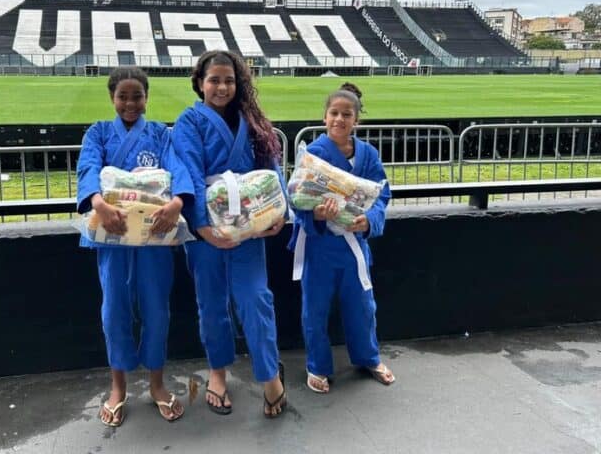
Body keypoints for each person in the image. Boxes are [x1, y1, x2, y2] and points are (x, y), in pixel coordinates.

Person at [172, 50, 288, 418]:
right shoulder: (189, 121)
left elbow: (271, 167)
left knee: (256, 299)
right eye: (214, 80)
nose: (222, 87)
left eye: (229, 80)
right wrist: (202, 224)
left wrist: (279, 211)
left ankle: (270, 377)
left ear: (238, 84)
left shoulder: (252, 122)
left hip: (249, 226)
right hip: (206, 229)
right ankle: (218, 372)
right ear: (199, 83)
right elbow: (187, 171)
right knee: (212, 304)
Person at [76, 67, 194, 427]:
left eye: (137, 96)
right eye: (123, 96)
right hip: (113, 235)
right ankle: (118, 387)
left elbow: (178, 169)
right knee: (114, 311)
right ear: (112, 98)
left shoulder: (160, 134)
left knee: (157, 311)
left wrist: (176, 204)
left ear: (147, 97)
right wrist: (97, 203)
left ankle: (157, 385)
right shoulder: (97, 132)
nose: (130, 103)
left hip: (154, 237)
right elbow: (88, 168)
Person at [288, 82, 395, 394]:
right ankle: (317, 367)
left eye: (346, 114)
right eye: (333, 113)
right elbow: (295, 196)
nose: (339, 119)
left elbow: (382, 194)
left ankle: (368, 357)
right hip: (318, 248)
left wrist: (369, 221)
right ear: (324, 118)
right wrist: (316, 215)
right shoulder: (314, 153)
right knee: (315, 310)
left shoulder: (369, 154)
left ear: (356, 120)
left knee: (363, 307)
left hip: (353, 246)